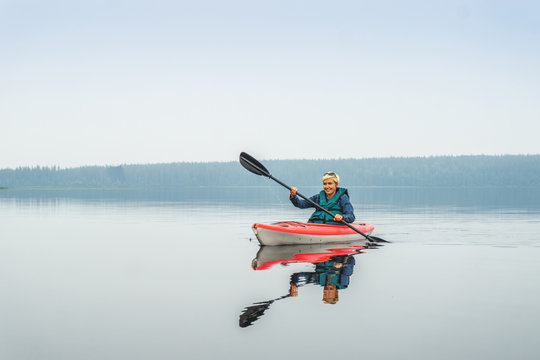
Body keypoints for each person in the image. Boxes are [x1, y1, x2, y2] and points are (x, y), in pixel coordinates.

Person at [289, 171, 355, 225]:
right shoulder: (318, 198)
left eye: (330, 183)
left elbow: (351, 216)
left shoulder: (343, 198)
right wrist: (293, 196)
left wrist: (342, 217)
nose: (327, 186)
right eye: (325, 184)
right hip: (316, 227)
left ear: (336, 184)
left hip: (334, 229)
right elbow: (301, 204)